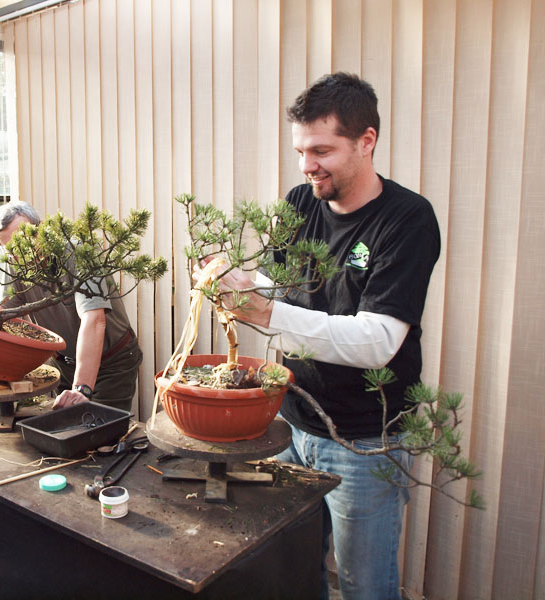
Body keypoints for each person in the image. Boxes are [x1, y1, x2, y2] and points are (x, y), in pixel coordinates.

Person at [209, 73, 441, 600]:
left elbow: (378, 341)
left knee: (364, 585)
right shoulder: (300, 202)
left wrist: (267, 310)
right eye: (300, 151)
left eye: (321, 150)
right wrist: (235, 282)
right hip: (293, 422)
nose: (306, 165)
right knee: (290, 569)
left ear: (366, 141)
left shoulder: (407, 220)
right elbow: (279, 290)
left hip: (367, 438)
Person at [0, 201, 142, 412]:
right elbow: (3, 312)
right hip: (63, 362)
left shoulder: (78, 252)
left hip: (111, 362)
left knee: (100, 425)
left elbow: (94, 319)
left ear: (40, 229)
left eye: (23, 242)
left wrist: (81, 388)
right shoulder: (15, 260)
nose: (18, 255)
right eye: (9, 249)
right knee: (66, 421)